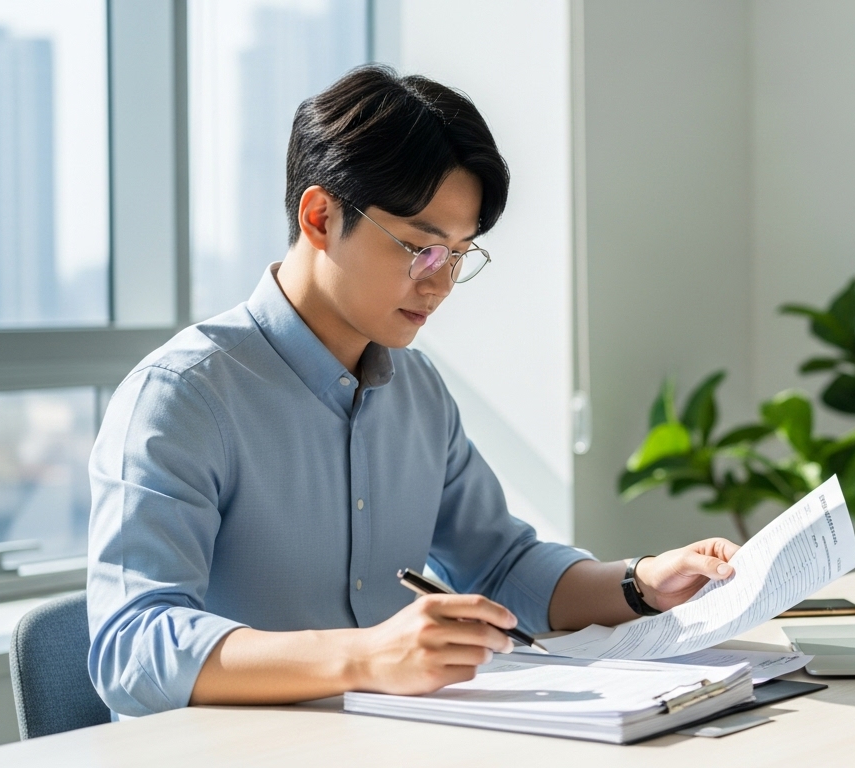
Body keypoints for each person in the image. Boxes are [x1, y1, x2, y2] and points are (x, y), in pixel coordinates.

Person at [86, 65, 739, 716]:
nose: (440, 283)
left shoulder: (417, 391)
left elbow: (500, 564)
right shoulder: (183, 396)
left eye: (459, 254)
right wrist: (365, 656)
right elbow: (132, 647)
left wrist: (640, 583)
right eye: (420, 248)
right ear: (320, 217)